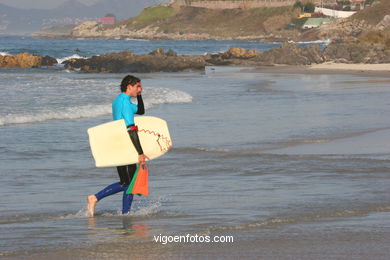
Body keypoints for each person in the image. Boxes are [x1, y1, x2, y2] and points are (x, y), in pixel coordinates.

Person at [87, 75, 148, 217]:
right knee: (130, 183)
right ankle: (97, 198)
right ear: (129, 86)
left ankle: (122, 211)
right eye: (138, 87)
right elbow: (130, 128)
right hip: (125, 144)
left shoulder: (118, 100)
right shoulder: (125, 103)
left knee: (126, 182)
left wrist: (139, 96)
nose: (140, 89)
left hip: (117, 143)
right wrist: (140, 152)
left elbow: (140, 111)